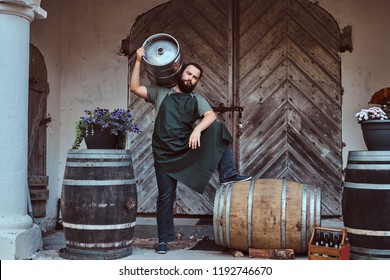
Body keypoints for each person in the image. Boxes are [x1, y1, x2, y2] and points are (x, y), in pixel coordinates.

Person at [130, 47, 251, 254]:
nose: (190, 79)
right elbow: (134, 88)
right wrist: (139, 61)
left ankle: (228, 174)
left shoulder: (197, 99)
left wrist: (197, 129)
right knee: (165, 196)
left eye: (195, 78)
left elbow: (211, 116)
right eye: (188, 74)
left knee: (217, 129)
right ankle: (164, 240)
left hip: (186, 149)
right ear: (180, 72)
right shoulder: (161, 92)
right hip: (164, 153)